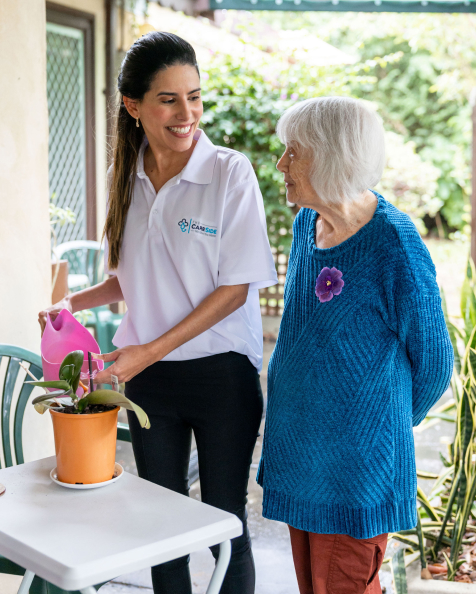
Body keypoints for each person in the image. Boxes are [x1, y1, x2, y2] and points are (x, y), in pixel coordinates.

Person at [39, 32, 277, 594]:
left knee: (224, 523)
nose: (186, 112)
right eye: (168, 98)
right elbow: (128, 279)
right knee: (162, 525)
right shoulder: (128, 175)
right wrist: (70, 304)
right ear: (134, 105)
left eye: (194, 97)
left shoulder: (229, 173)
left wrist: (145, 351)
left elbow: (234, 291)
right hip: (148, 381)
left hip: (222, 375)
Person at [257, 96, 454, 594]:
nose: (281, 164)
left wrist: (373, 428)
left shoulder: (395, 243)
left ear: (327, 156)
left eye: (292, 152)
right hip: (300, 454)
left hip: (354, 469)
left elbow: (434, 365)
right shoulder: (307, 224)